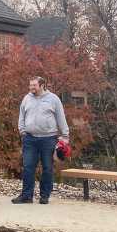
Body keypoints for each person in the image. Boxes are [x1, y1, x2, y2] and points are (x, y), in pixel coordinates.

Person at [12, 76, 69, 205]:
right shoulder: (26, 99)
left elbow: (61, 118)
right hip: (30, 139)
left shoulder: (53, 99)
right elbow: (22, 116)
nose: (31, 88)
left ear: (42, 85)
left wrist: (65, 136)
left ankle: (45, 195)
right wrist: (22, 131)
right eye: (30, 85)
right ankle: (27, 195)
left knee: (47, 168)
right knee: (27, 167)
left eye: (34, 85)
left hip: (48, 139)